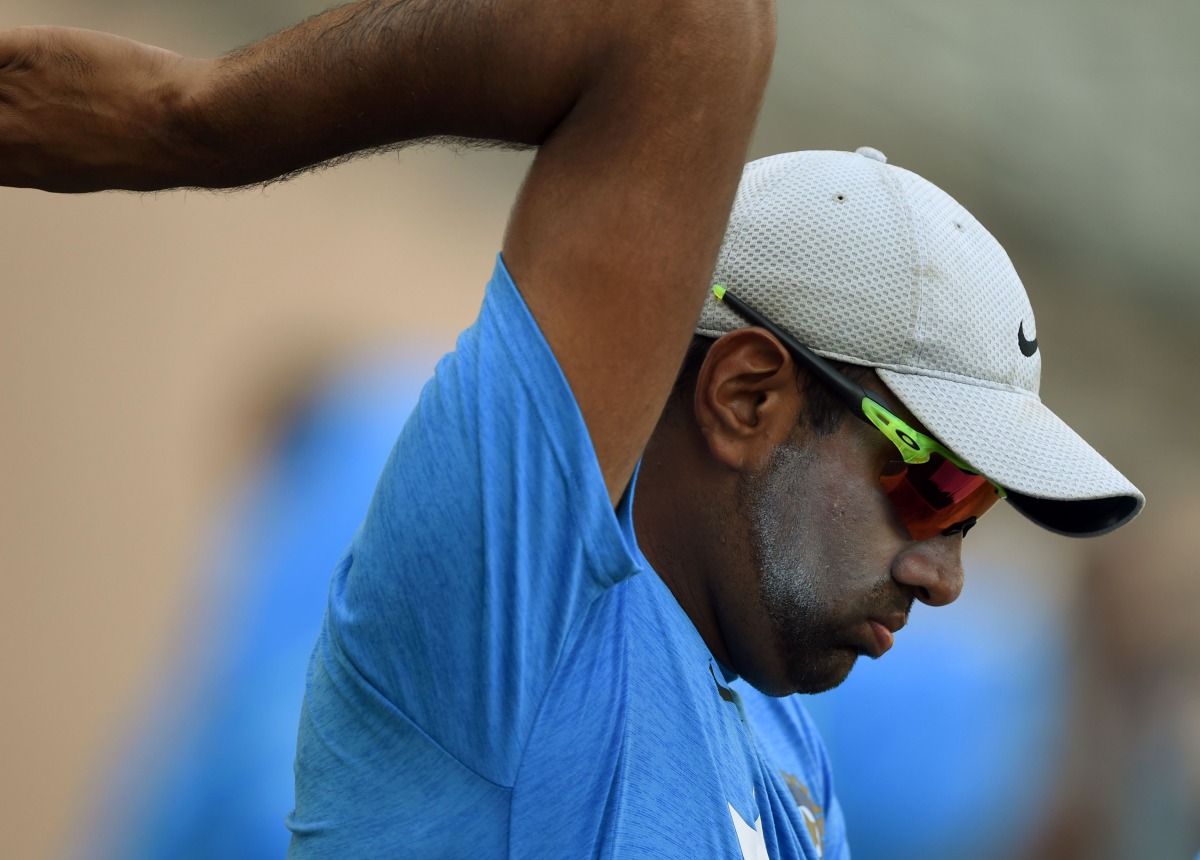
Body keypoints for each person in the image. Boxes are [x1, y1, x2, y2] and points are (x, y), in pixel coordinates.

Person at [0, 2, 1143, 857]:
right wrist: (186, 124)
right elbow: (681, 27)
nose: (945, 573)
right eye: (933, 485)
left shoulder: (785, 755)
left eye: (977, 512)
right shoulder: (522, 622)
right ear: (746, 396)